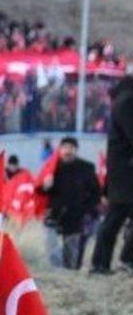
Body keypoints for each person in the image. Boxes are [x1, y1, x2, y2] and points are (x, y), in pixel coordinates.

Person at [91, 75, 133, 274]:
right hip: (126, 174)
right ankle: (101, 263)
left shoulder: (124, 99)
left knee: (115, 218)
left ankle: (124, 260)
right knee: (115, 218)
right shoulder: (127, 101)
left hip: (123, 172)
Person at [39, 137, 100, 270]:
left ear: (76, 150)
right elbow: (39, 191)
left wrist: (85, 209)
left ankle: (69, 273)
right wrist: (45, 186)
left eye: (71, 148)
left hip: (76, 215)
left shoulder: (86, 168)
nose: (68, 151)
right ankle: (58, 272)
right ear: (60, 150)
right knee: (51, 247)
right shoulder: (51, 168)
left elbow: (96, 192)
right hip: (53, 213)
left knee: (71, 257)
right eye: (65, 148)